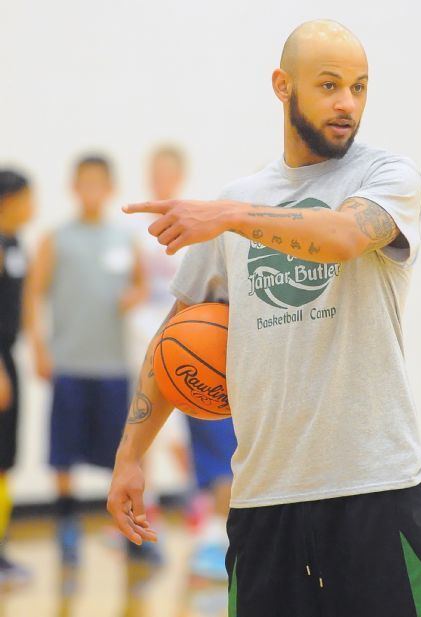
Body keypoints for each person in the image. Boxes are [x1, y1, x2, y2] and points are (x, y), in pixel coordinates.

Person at [108, 20, 421, 617]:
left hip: (375, 489)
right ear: (282, 86)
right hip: (264, 500)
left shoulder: (386, 177)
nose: (348, 103)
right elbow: (176, 334)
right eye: (328, 85)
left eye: (360, 87)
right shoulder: (235, 203)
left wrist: (234, 216)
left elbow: (345, 235)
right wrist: (131, 455)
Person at [25, 155, 148, 566]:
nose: (91, 189)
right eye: (84, 183)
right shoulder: (55, 238)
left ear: (110, 187)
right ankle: (67, 526)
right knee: (63, 452)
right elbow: (33, 295)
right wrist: (40, 349)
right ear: (73, 187)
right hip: (70, 364)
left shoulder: (123, 238)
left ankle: (131, 530)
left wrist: (134, 296)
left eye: (99, 182)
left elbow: (141, 285)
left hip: (113, 367)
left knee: (126, 452)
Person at [131, 145, 236, 580]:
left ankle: (213, 532)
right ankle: (160, 515)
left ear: (179, 174)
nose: (160, 178)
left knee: (210, 446)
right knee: (158, 438)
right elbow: (135, 285)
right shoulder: (133, 231)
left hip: (196, 343)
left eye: (166, 172)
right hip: (155, 342)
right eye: (153, 171)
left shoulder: (199, 222)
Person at [0, 170, 34, 585]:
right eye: (28, 198)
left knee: (5, 461)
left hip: (9, 356)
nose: (33, 207)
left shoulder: (16, 243)